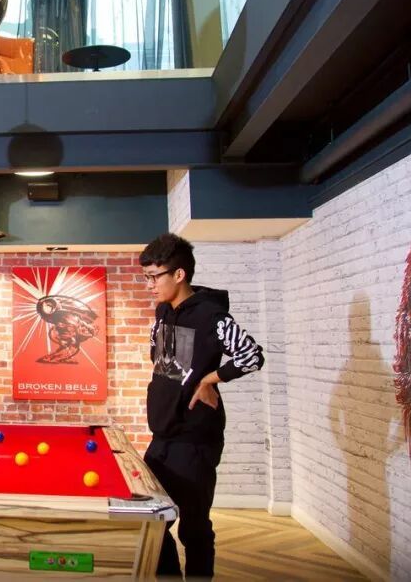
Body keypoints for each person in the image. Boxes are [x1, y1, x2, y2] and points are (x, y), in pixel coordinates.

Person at [139, 234, 265, 579]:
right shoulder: (163, 311)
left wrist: (210, 379)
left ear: (179, 274)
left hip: (195, 440)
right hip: (163, 436)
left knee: (193, 528)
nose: (149, 285)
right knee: (152, 521)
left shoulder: (211, 316)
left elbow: (251, 355)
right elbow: (161, 361)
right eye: (146, 277)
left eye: (154, 277)